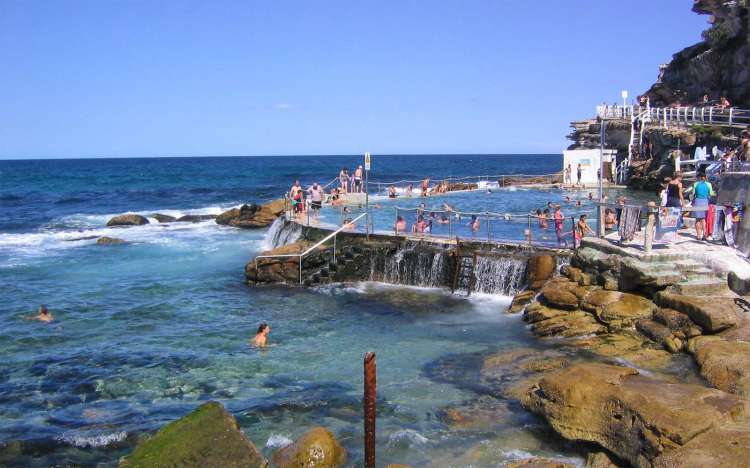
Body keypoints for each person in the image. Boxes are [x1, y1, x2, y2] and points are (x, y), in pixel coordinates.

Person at [692, 173, 715, 240]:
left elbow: (693, 194)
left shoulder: (696, 184)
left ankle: (699, 235)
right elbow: (711, 193)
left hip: (697, 201)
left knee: (697, 219)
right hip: (705, 201)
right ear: (705, 177)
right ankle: (705, 234)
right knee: (703, 219)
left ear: (699, 177)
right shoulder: (708, 184)